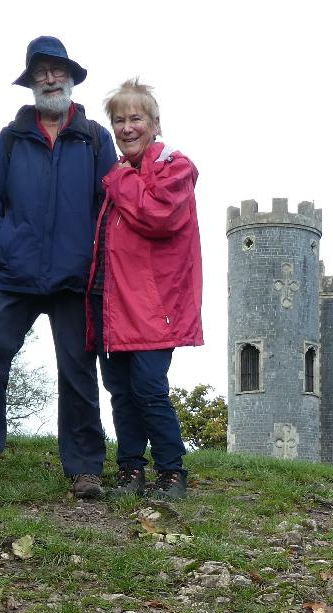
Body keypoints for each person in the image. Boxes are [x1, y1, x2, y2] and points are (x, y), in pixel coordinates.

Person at [0, 36, 117, 499]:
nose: (49, 78)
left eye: (57, 70)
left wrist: (96, 263)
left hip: (74, 277)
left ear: (71, 78)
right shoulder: (11, 139)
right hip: (12, 274)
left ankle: (84, 467)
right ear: (31, 82)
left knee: (78, 369)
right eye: (40, 71)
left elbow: (110, 207)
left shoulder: (96, 138)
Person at [87, 79, 203, 500]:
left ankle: (173, 472)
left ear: (155, 123)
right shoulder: (125, 174)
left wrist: (118, 179)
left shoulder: (174, 167)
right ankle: (131, 470)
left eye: (135, 118)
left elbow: (158, 216)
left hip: (155, 306)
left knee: (149, 389)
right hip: (112, 301)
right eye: (118, 120)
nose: (126, 127)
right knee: (120, 391)